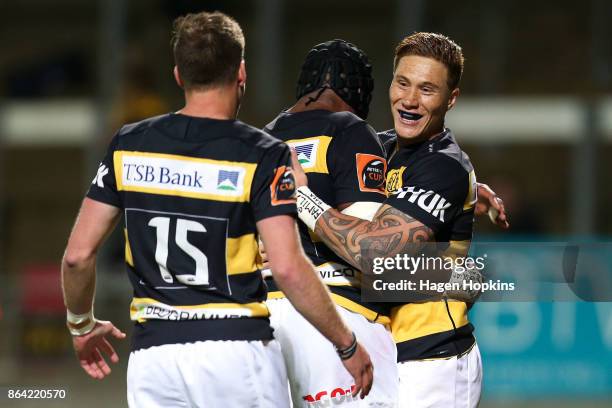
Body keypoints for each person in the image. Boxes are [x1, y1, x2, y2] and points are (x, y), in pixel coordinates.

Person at [61, 11, 373, 407]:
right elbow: (288, 267)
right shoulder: (262, 154)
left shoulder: (128, 144)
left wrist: (81, 325)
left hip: (153, 359)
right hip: (235, 351)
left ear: (179, 75)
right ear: (241, 71)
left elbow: (77, 257)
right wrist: (345, 344)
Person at [289, 32, 495, 407]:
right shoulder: (379, 148)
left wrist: (301, 198)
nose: (410, 100)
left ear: (451, 99)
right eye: (403, 83)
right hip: (384, 350)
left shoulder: (444, 165)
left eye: (427, 90)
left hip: (434, 358)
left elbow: (375, 253)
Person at [262, 39, 398, 407]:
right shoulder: (350, 130)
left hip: (259, 323)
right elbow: (369, 251)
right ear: (359, 90)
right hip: (334, 315)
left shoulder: (259, 140)